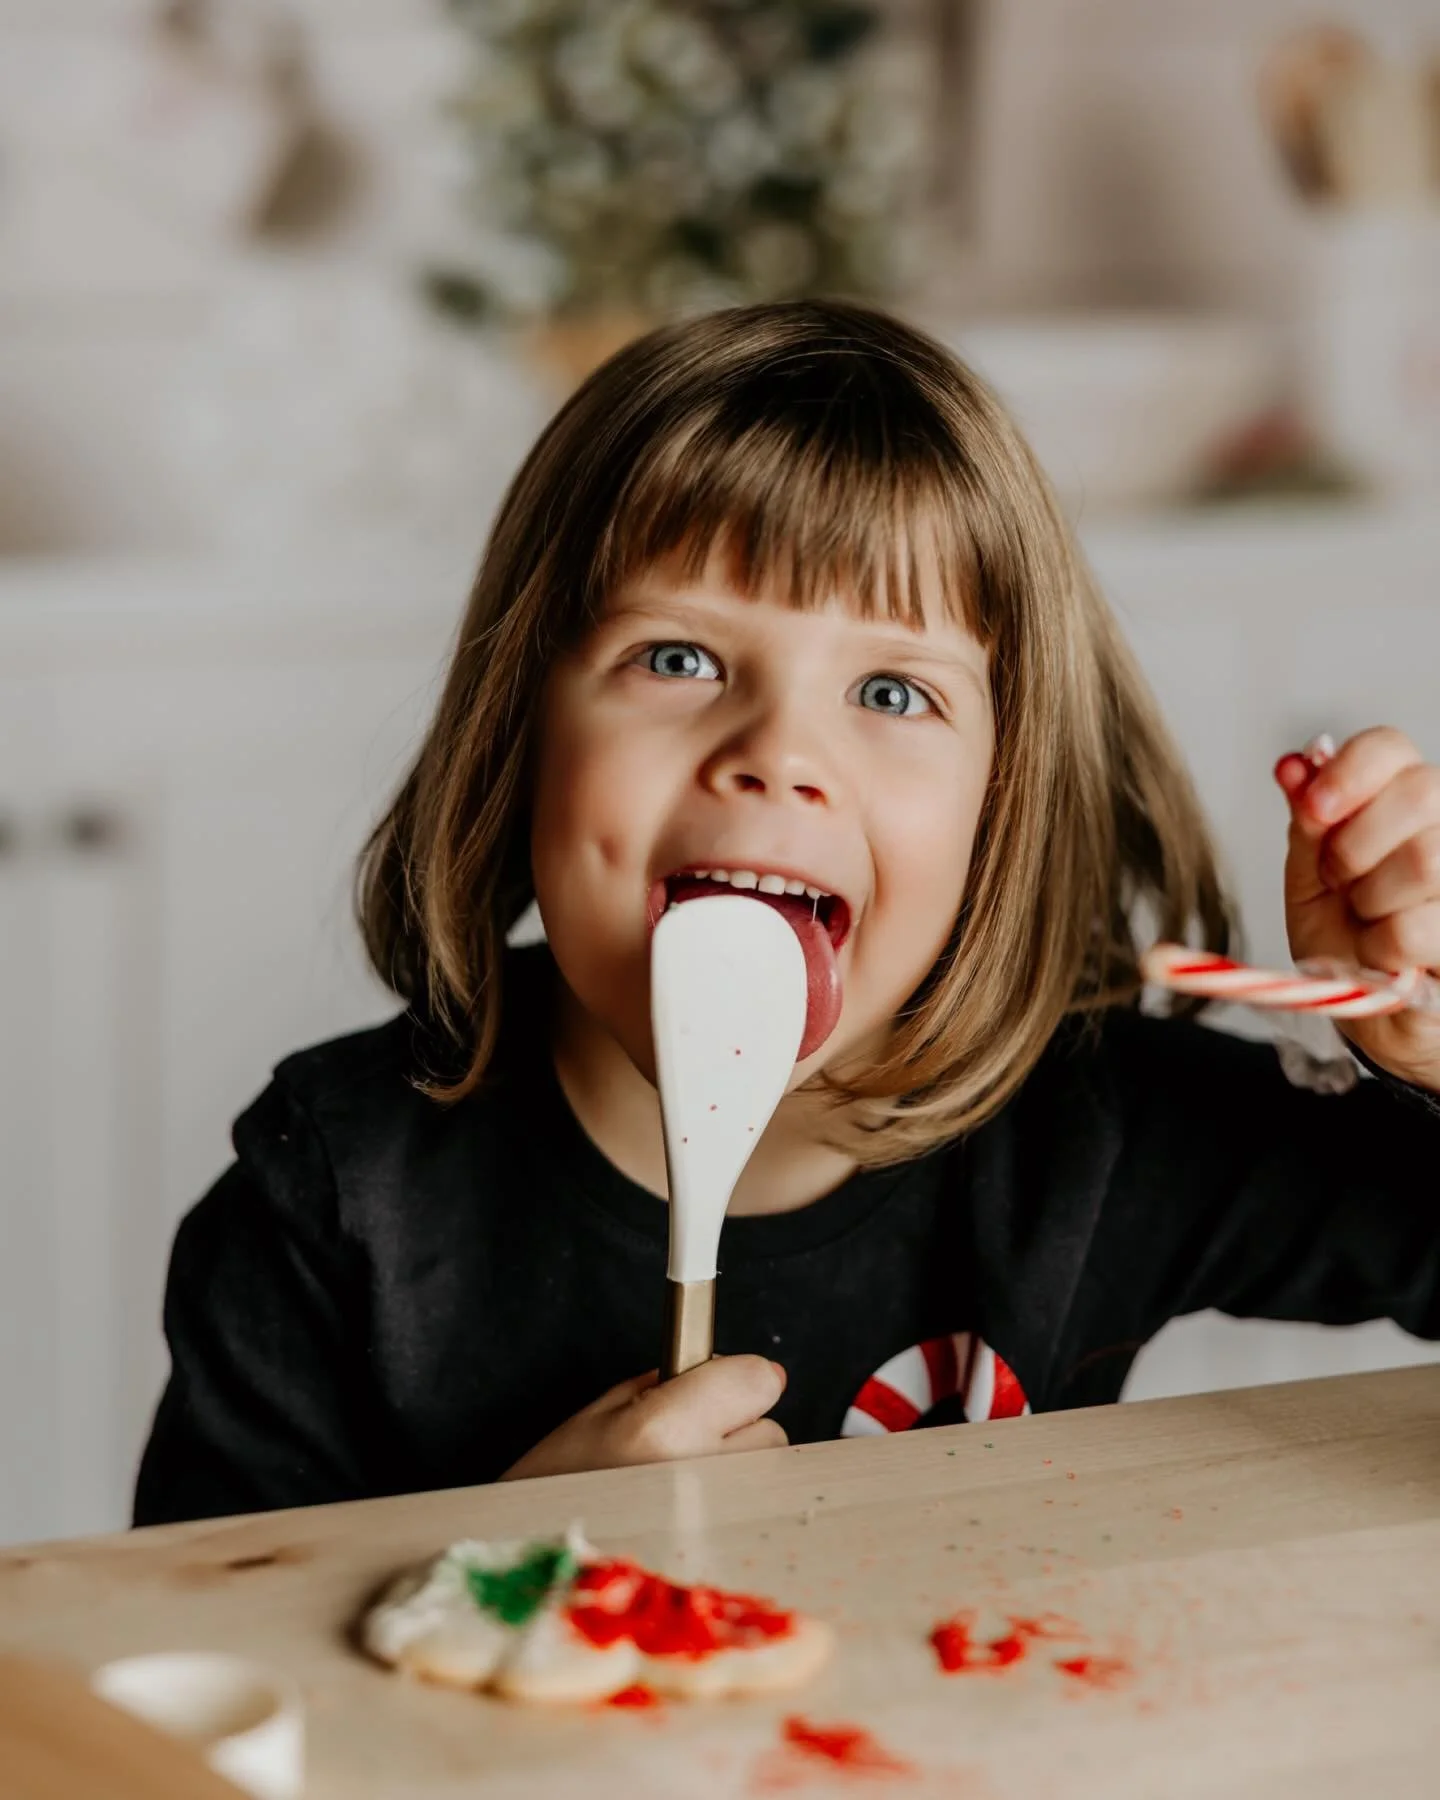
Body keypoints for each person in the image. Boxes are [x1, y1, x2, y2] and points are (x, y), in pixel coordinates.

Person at [133, 301, 1440, 1527]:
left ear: (1007, 798)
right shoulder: (332, 1197)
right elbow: (168, 1710)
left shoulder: (1103, 1132)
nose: (777, 751)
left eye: (890, 692)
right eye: (680, 659)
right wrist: (515, 1561)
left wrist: (1427, 1056)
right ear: (521, 726)